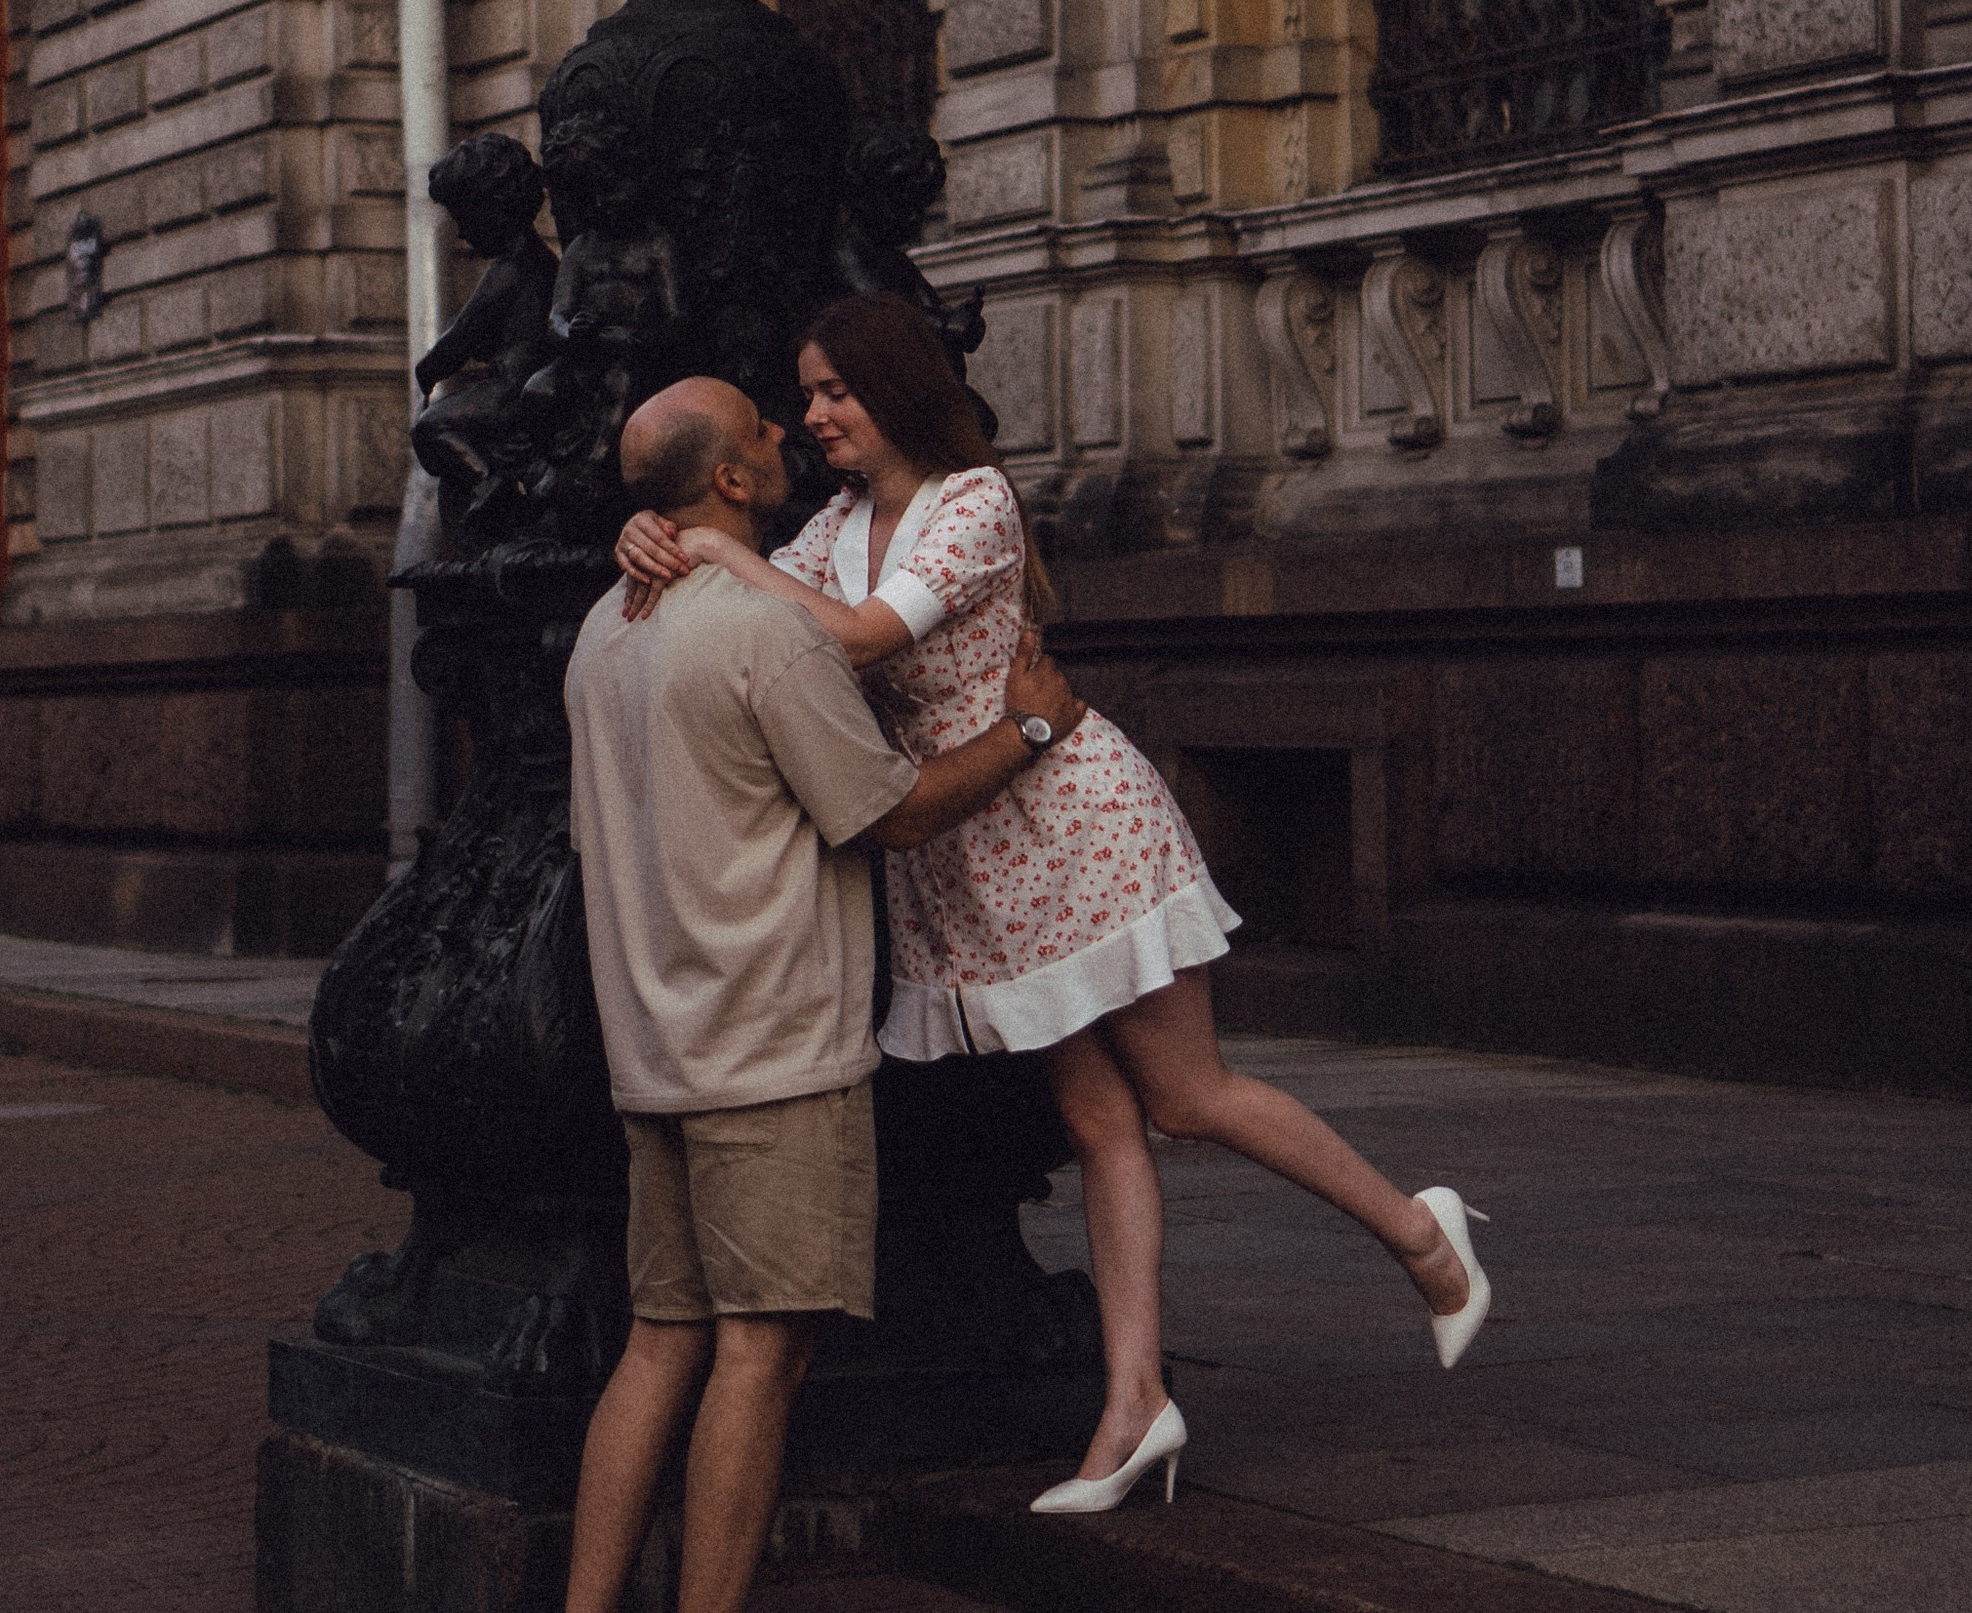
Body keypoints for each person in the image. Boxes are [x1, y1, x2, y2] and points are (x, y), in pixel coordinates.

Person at [617, 291, 1491, 1518]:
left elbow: (858, 640)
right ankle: (1135, 1403)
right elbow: (774, 612)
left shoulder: (971, 503)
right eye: (805, 396)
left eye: (833, 391)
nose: (812, 416)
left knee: (1186, 1096)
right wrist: (657, 540)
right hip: (971, 853)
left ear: (894, 389)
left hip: (1069, 823)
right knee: (1094, 1120)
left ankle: (1419, 1233)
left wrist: (714, 551)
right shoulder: (830, 527)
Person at [537, 370, 1087, 1613]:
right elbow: (891, 811)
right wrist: (1026, 731)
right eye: (766, 435)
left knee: (658, 1344)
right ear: (725, 484)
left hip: (654, 1046)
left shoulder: (607, 629)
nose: (789, 440)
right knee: (760, 1357)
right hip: (773, 1048)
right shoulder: (763, 639)